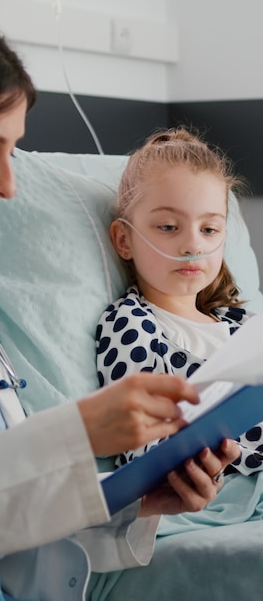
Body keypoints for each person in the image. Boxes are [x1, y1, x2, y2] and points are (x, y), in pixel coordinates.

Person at [0, 9, 238, 601]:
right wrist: (77, 434)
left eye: (13, 153)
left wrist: (136, 503)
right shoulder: (130, 326)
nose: (9, 185)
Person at [96, 126, 262, 475]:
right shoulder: (131, 325)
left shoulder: (244, 326)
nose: (193, 246)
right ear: (124, 240)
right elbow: (142, 450)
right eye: (169, 227)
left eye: (209, 229)